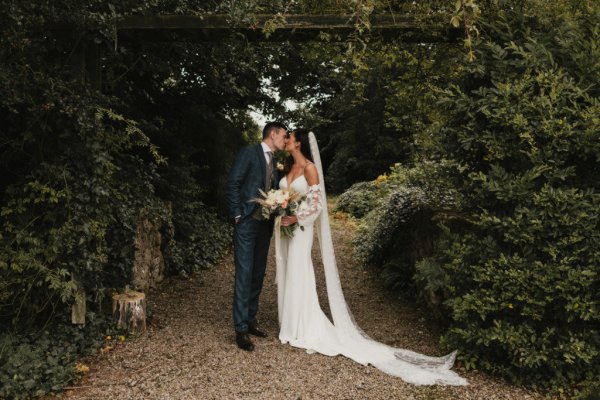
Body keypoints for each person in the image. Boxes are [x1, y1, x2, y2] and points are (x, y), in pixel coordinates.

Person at [275, 129, 468, 385]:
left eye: (288, 136)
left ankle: (302, 326)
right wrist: (279, 206)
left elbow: (317, 204)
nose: (284, 140)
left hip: (300, 227)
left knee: (300, 270)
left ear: (297, 142)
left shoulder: (310, 168)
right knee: (289, 269)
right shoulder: (287, 166)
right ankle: (289, 324)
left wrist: (296, 217)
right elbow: (286, 196)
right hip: (285, 227)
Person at [226, 121, 288, 352]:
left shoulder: (275, 161)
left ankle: (251, 319)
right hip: (247, 223)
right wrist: (237, 215)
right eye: (283, 136)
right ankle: (240, 329)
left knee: (258, 272)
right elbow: (233, 184)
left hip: (265, 224)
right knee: (244, 272)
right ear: (272, 135)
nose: (285, 140)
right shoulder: (249, 153)